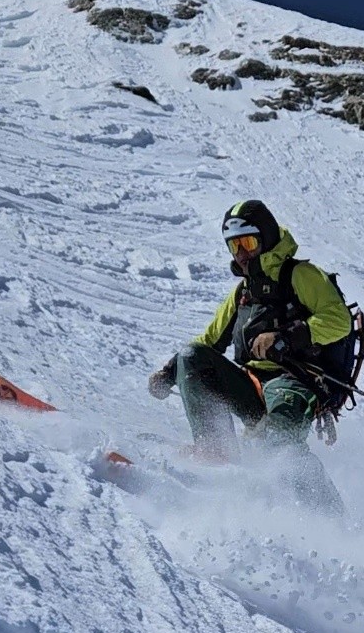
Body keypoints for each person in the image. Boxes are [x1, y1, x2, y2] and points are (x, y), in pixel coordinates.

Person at [148, 200, 351, 509]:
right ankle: (215, 454)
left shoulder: (301, 275)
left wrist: (285, 337)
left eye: (248, 243)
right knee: (191, 357)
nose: (241, 253)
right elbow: (207, 342)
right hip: (252, 384)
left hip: (296, 383)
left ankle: (331, 517)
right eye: (234, 246)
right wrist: (170, 371)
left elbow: (339, 320)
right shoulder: (244, 291)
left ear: (266, 239)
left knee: (278, 445)